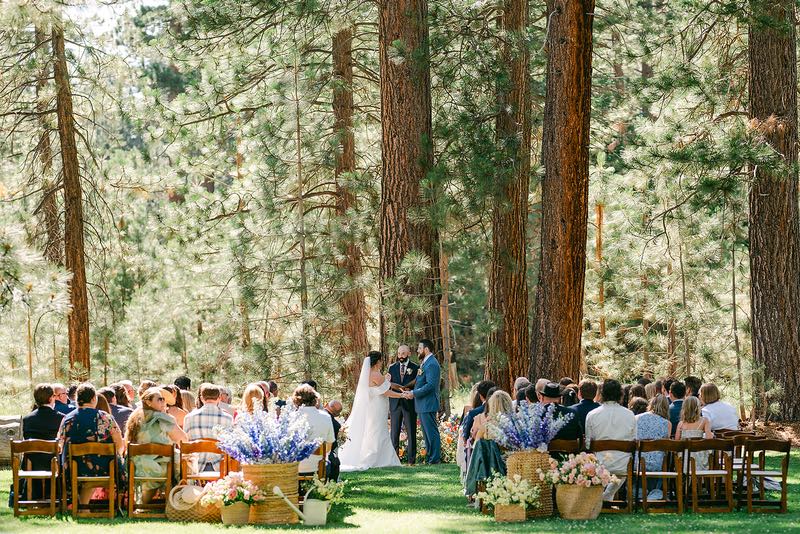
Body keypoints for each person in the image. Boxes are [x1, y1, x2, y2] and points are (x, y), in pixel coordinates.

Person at [57, 383, 125, 505]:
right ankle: (90, 506)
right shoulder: (105, 418)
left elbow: (60, 444)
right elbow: (119, 445)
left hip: (74, 468)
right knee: (114, 460)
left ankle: (82, 506)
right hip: (104, 469)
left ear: (77, 399)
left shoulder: (67, 419)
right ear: (94, 399)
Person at [339, 351, 406, 471]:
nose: (381, 363)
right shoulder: (375, 374)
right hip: (377, 407)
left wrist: (389, 382)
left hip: (374, 406)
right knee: (377, 431)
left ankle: (380, 457)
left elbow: (383, 387)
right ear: (377, 361)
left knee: (373, 430)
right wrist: (402, 395)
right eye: (380, 360)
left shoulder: (370, 373)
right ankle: (376, 458)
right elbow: (386, 391)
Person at [125, 387, 188, 504]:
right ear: (148, 402)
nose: (164, 402)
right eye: (160, 399)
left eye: (164, 399)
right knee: (185, 462)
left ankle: (142, 504)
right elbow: (183, 439)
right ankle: (179, 502)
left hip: (136, 468)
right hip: (157, 468)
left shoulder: (134, 417)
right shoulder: (162, 418)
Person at [585, 379, 636, 501]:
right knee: (623, 468)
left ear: (602, 394)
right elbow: (633, 440)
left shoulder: (592, 414)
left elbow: (588, 444)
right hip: (623, 464)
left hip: (600, 463)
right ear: (620, 394)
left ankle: (603, 496)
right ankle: (607, 495)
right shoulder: (629, 415)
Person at [403, 339, 442, 464]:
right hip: (422, 403)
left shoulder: (432, 364)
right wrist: (409, 389)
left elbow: (430, 385)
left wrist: (414, 393)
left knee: (431, 432)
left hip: (428, 403)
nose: (418, 350)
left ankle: (434, 459)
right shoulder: (425, 362)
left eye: (420, 348)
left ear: (426, 349)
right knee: (426, 433)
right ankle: (430, 458)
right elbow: (420, 381)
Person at [22, 384, 64, 498]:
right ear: (50, 398)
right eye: (54, 396)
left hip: (32, 463)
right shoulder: (61, 418)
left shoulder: (27, 419)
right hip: (54, 463)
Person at [183, 384, 233, 472]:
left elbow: (186, 442)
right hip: (220, 467)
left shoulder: (189, 418)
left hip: (196, 467)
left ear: (202, 398)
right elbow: (231, 444)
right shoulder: (228, 418)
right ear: (219, 398)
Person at [635, 395, 671, 500]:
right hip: (657, 463)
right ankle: (656, 490)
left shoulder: (636, 418)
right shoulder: (666, 423)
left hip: (638, 461)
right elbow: (666, 445)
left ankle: (640, 490)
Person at [294, 385, 335, 474]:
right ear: (315, 399)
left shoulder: (291, 417)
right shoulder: (326, 417)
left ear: (296, 399)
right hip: (319, 467)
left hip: (295, 468)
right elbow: (329, 446)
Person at [388, 344, 419, 464]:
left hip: (409, 403)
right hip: (395, 404)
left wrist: (409, 390)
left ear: (409, 354)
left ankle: (411, 461)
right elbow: (389, 384)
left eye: (403, 353)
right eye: (399, 353)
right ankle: (394, 460)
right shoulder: (392, 367)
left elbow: (418, 383)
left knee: (411, 432)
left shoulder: (415, 367)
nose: (400, 356)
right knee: (394, 433)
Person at [676, 396, 712, 471]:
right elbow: (709, 440)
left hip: (684, 457)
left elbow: (677, 442)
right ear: (697, 408)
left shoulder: (681, 424)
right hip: (699, 455)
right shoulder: (704, 421)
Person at [324, 400, 343, 481]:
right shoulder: (335, 424)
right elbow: (332, 444)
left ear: (326, 405)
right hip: (325, 452)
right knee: (335, 461)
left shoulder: (317, 414)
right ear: (337, 414)